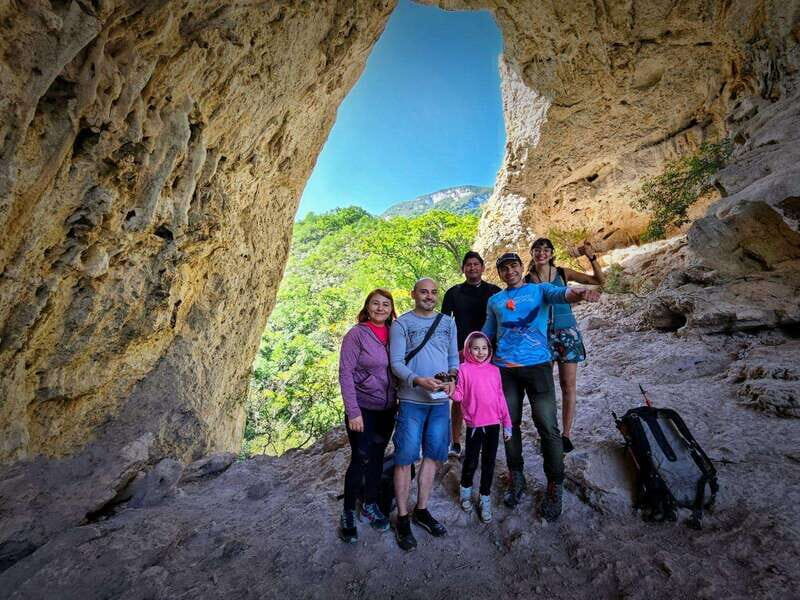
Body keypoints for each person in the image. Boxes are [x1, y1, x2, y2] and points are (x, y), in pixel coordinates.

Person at [483, 252, 601, 522]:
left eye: (513, 266)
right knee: (510, 426)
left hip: (538, 367)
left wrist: (580, 293)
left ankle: (554, 485)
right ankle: (517, 478)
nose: (509, 271)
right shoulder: (495, 300)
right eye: (504, 268)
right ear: (499, 273)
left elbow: (563, 296)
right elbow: (487, 332)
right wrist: (468, 355)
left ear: (521, 268)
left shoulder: (539, 290)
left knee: (547, 426)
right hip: (505, 371)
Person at [390, 278, 459, 551]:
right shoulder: (402, 324)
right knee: (405, 458)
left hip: (440, 402)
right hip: (411, 401)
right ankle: (403, 517)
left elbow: (454, 358)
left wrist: (453, 378)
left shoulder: (448, 322)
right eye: (424, 292)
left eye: (433, 292)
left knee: (433, 456)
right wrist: (417, 380)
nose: (429, 296)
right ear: (413, 294)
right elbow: (395, 363)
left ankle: (421, 509)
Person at [524, 238, 604, 453]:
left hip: (567, 332)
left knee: (568, 385)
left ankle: (566, 435)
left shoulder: (563, 273)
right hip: (544, 337)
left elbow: (598, 279)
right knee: (545, 389)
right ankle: (550, 433)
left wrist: (591, 257)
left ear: (551, 253)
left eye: (545, 250)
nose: (541, 253)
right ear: (532, 253)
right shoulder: (528, 280)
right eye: (537, 250)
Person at [337, 289, 398, 543]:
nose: (380, 308)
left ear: (391, 308)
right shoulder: (356, 335)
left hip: (387, 408)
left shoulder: (395, 333)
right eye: (376, 304)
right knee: (360, 457)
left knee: (376, 458)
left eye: (386, 304)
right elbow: (345, 373)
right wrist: (353, 412)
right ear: (367, 307)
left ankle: (371, 504)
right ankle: (348, 511)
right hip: (363, 407)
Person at [441, 251, 501, 458]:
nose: (472, 268)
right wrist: (451, 353)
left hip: (487, 354)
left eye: (476, 264)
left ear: (483, 267)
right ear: (463, 269)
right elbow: (444, 326)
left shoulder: (494, 292)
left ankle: (483, 437)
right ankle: (455, 441)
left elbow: (504, 321)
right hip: (460, 353)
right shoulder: (453, 293)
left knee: (486, 396)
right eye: (469, 265)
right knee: (458, 398)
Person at [450, 331, 511, 523]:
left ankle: (485, 497)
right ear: (468, 349)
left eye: (484, 348)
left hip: (494, 425)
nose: (480, 352)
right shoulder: (463, 369)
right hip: (474, 426)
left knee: (489, 463)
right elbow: (459, 396)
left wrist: (507, 424)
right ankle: (465, 491)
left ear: (489, 350)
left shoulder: (494, 370)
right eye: (475, 348)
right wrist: (449, 389)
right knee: (471, 461)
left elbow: (501, 398)